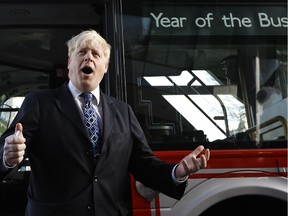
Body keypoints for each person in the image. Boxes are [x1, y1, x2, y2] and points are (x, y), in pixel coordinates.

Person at [0, 29, 210, 216]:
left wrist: (177, 172)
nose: (88, 58)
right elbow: (8, 146)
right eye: (81, 52)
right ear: (69, 63)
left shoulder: (123, 112)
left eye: (96, 54)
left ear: (105, 67)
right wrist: (8, 156)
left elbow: (144, 164)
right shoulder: (39, 103)